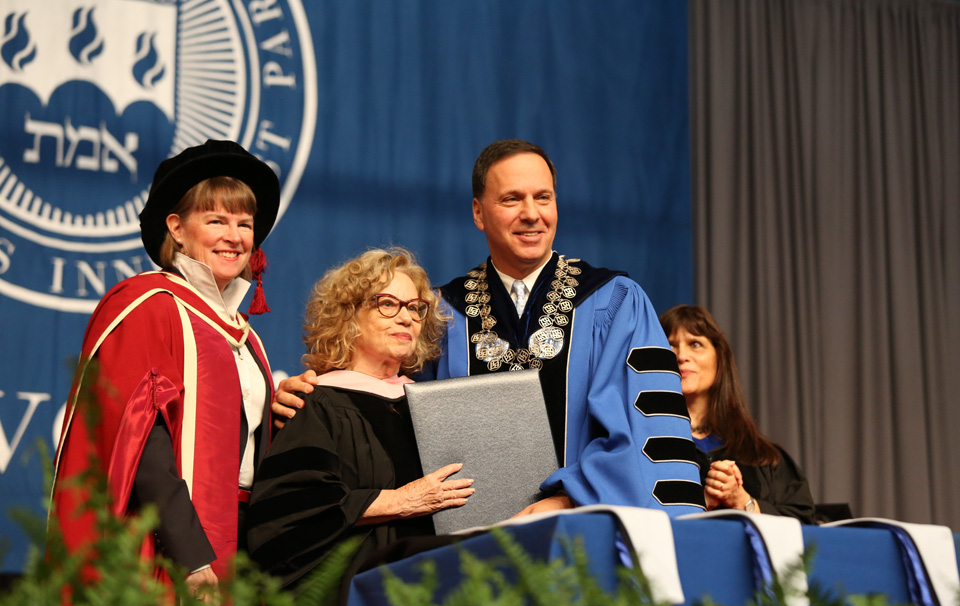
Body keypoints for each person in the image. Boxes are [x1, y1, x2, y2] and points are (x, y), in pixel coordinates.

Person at [275, 140, 704, 517]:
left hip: (583, 528)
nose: (532, 214)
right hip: (471, 546)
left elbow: (646, 427)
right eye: (512, 199)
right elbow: (378, 400)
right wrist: (310, 392)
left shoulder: (614, 301)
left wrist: (570, 498)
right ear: (479, 212)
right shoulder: (441, 312)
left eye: (544, 197)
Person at [50, 140, 279, 602]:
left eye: (244, 224)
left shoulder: (246, 336)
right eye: (216, 220)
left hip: (242, 539)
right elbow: (140, 439)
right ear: (176, 227)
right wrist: (190, 554)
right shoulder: (148, 307)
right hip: (169, 543)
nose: (233, 236)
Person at [245, 248, 473, 588]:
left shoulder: (433, 407)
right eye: (387, 304)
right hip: (356, 601)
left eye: (414, 308)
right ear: (349, 317)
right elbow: (286, 520)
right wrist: (400, 501)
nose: (406, 317)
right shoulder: (316, 404)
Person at [659, 305, 815, 522]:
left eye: (695, 344)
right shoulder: (644, 448)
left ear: (719, 358)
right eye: (670, 346)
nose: (682, 355)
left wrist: (742, 501)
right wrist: (702, 503)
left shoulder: (760, 456)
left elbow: (804, 525)